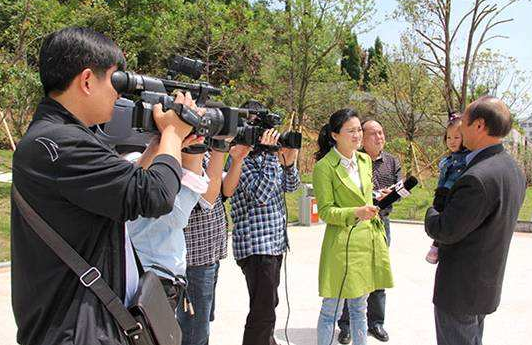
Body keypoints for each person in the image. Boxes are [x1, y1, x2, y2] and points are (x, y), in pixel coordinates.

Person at [11, 27, 193, 345]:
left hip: (76, 324)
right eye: (115, 81)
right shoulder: (62, 143)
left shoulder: (57, 136)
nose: (118, 94)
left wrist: (158, 145)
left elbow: (125, 190)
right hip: (75, 329)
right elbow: (156, 196)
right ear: (86, 81)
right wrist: (173, 135)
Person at [425, 96, 526, 345]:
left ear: (479, 125)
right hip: (484, 283)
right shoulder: (513, 169)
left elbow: (445, 229)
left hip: (460, 289)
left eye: (465, 123)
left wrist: (432, 210)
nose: (459, 130)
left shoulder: (477, 178)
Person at [313, 109, 393, 345]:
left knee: (360, 308)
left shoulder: (364, 160)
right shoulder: (324, 167)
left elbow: (363, 196)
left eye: (359, 129)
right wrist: (356, 212)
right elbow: (326, 211)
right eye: (351, 130)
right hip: (341, 245)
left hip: (366, 242)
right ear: (335, 135)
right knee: (332, 309)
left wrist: (378, 197)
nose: (357, 135)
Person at [230, 101, 300, 345]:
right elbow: (260, 195)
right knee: (263, 312)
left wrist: (289, 163)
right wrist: (272, 157)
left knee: (268, 305)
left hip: (274, 244)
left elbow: (291, 187)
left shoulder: (269, 157)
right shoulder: (240, 159)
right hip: (256, 246)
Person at [176, 144, 252, 345]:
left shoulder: (208, 152)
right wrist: (220, 148)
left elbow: (225, 191)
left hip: (211, 251)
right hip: (193, 256)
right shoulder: (186, 152)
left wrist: (237, 160)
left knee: (203, 319)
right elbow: (207, 200)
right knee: (194, 327)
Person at [337, 119, 401, 344]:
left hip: (382, 224)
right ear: (362, 137)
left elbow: (399, 189)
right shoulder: (355, 160)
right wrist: (374, 195)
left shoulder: (392, 161)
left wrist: (392, 193)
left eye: (381, 133)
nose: (379, 137)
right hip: (358, 223)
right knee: (352, 274)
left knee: (379, 273)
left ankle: (376, 322)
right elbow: (352, 190)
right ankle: (345, 325)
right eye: (373, 133)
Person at [425, 113, 469, 264]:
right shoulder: (448, 159)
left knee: (446, 219)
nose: (452, 141)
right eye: (449, 138)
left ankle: (437, 245)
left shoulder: (466, 157)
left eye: (457, 138)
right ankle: (436, 243)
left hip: (452, 194)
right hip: (441, 192)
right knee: (438, 216)